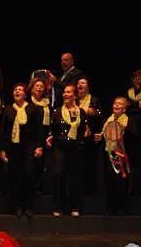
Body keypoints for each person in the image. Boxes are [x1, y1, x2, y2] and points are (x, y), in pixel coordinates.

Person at [0, 83, 43, 218]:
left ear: (25, 94)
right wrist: (2, 150)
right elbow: (3, 132)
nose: (17, 91)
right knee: (15, 177)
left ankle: (28, 206)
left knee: (29, 175)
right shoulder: (8, 110)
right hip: (13, 148)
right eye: (15, 89)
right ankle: (17, 207)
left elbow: (39, 130)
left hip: (29, 147)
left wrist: (39, 146)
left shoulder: (33, 109)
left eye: (20, 90)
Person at [46, 84, 90, 217]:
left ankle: (75, 207)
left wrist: (86, 133)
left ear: (75, 95)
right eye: (64, 92)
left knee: (75, 176)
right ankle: (58, 207)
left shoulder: (81, 112)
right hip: (59, 146)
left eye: (69, 92)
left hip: (75, 147)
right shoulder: (57, 111)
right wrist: (50, 136)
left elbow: (84, 128)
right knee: (58, 174)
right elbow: (52, 129)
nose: (65, 94)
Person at [94, 97, 136, 215]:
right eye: (115, 103)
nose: (116, 105)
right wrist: (100, 137)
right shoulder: (107, 120)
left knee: (122, 182)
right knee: (110, 181)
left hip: (122, 155)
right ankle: (110, 207)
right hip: (109, 154)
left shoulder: (128, 120)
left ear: (124, 108)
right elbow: (104, 135)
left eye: (119, 104)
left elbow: (135, 136)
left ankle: (122, 208)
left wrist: (124, 129)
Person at [76, 77, 103, 195]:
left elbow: (101, 115)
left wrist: (95, 113)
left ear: (88, 87)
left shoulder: (94, 99)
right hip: (76, 137)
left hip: (90, 138)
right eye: (78, 83)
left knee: (90, 164)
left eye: (83, 83)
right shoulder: (74, 99)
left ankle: (90, 191)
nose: (79, 85)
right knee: (78, 165)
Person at [29, 78, 51, 196]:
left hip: (44, 137)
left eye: (41, 86)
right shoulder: (27, 102)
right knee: (31, 166)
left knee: (42, 166)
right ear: (32, 88)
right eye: (37, 86)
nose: (39, 88)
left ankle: (38, 189)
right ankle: (30, 189)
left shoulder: (47, 103)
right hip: (31, 138)